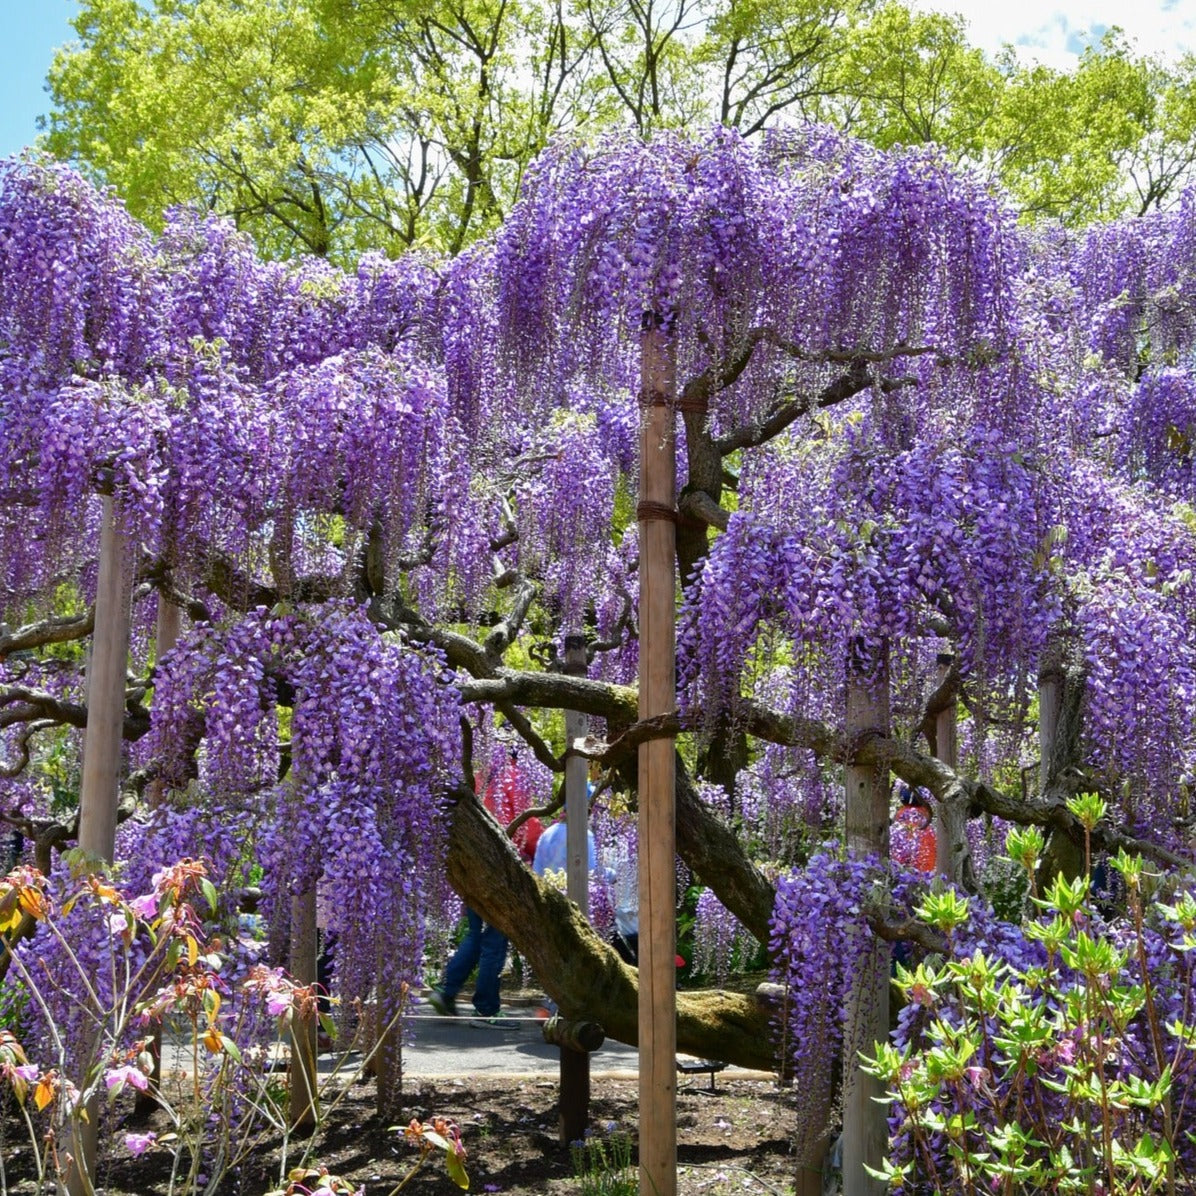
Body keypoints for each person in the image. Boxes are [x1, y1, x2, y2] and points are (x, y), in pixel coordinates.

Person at [427, 749, 542, 1027]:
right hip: (500, 871)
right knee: (495, 940)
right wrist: (539, 851)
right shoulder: (513, 777)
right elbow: (527, 829)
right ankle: (486, 1009)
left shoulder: (480, 777)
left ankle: (446, 990)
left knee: (477, 935)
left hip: (473, 868)